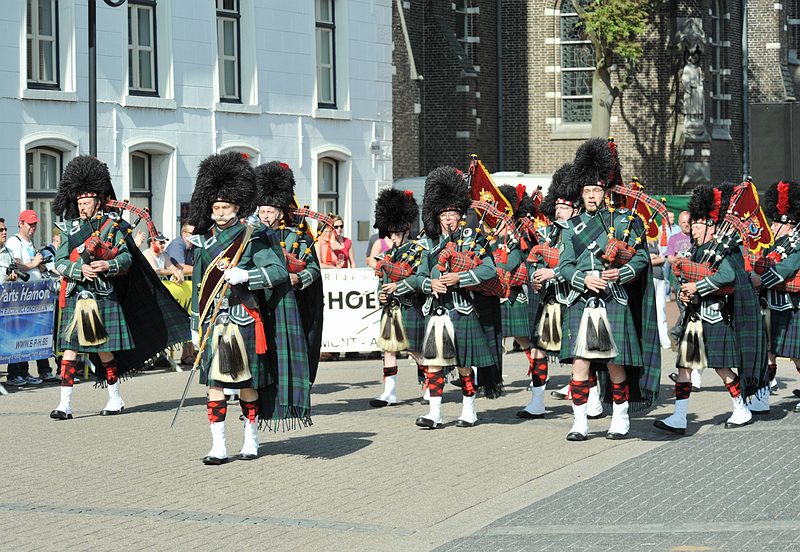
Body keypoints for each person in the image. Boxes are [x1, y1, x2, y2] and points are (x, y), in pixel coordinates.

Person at [50, 155, 190, 420]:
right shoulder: (69, 229)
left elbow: (125, 260)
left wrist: (106, 266)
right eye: (79, 202)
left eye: (86, 202)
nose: (82, 207)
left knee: (104, 352)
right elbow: (58, 260)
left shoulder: (113, 227)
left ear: (98, 201)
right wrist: (81, 269)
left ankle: (115, 399)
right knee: (69, 350)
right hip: (77, 295)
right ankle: (64, 404)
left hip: (103, 296)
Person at [187, 152, 291, 465]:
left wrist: (246, 275)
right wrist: (195, 325)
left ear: (237, 207)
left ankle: (250, 439)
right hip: (213, 322)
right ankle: (218, 446)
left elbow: (278, 272)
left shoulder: (253, 237)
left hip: (244, 318)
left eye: (225, 207)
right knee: (214, 385)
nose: (219, 213)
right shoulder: (204, 243)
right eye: (215, 208)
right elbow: (197, 285)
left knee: (247, 385)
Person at [557, 138, 661, 441]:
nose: (591, 196)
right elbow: (564, 266)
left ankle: (620, 417)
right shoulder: (571, 227)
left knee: (616, 364)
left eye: (596, 191)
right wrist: (582, 279)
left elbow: (641, 256)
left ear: (606, 191)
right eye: (586, 191)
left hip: (613, 298)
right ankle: (580, 423)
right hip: (581, 300)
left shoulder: (625, 221)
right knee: (580, 364)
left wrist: (620, 273)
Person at [655, 183, 769, 435]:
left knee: (720, 367)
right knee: (684, 366)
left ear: (709, 225)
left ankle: (741, 408)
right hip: (696, 317)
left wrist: (698, 287)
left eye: (696, 225)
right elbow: (691, 279)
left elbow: (728, 276)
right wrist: (686, 293)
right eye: (692, 224)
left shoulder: (724, 250)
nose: (692, 229)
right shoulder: (699, 250)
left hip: (715, 317)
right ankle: (679, 416)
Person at [413, 166, 503, 429]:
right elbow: (417, 277)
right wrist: (430, 284)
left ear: (461, 215)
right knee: (434, 364)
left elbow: (488, 269)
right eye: (445, 214)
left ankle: (469, 409)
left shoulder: (473, 239)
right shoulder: (427, 243)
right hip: (437, 311)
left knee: (464, 365)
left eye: (454, 214)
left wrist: (459, 279)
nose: (450, 219)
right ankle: (435, 413)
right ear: (437, 216)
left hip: (462, 310)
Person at [253, 159, 319, 406]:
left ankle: (288, 399)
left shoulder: (297, 236)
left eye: (270, 210)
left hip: (288, 303)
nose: (265, 214)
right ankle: (255, 402)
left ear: (280, 212)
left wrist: (298, 278)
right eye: (262, 210)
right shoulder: (252, 236)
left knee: (284, 353)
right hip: (258, 303)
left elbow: (313, 269)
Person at [370, 188, 425, 407]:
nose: (392, 237)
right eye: (390, 233)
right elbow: (380, 283)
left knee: (414, 350)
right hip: (390, 309)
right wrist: (381, 295)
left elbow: (419, 280)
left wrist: (397, 287)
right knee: (389, 349)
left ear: (406, 230)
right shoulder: (386, 255)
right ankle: (389, 392)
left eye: (396, 233)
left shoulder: (418, 251)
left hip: (410, 306)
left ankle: (431, 386)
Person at [749, 180, 800, 413]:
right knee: (769, 353)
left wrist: (761, 280)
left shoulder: (796, 243)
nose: (773, 224)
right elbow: (762, 263)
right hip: (769, 305)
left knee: (796, 356)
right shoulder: (771, 243)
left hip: (791, 306)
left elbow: (787, 267)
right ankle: (762, 397)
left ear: (788, 224)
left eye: (777, 221)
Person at [5, 209, 56, 385]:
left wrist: (40, 267)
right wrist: (34, 264)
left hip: (35, 296)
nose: (33, 228)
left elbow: (32, 265)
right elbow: (16, 264)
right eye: (30, 224)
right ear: (21, 223)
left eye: (35, 224)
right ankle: (15, 373)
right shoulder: (14, 241)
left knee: (30, 336)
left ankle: (27, 372)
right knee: (18, 335)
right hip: (20, 297)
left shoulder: (29, 242)